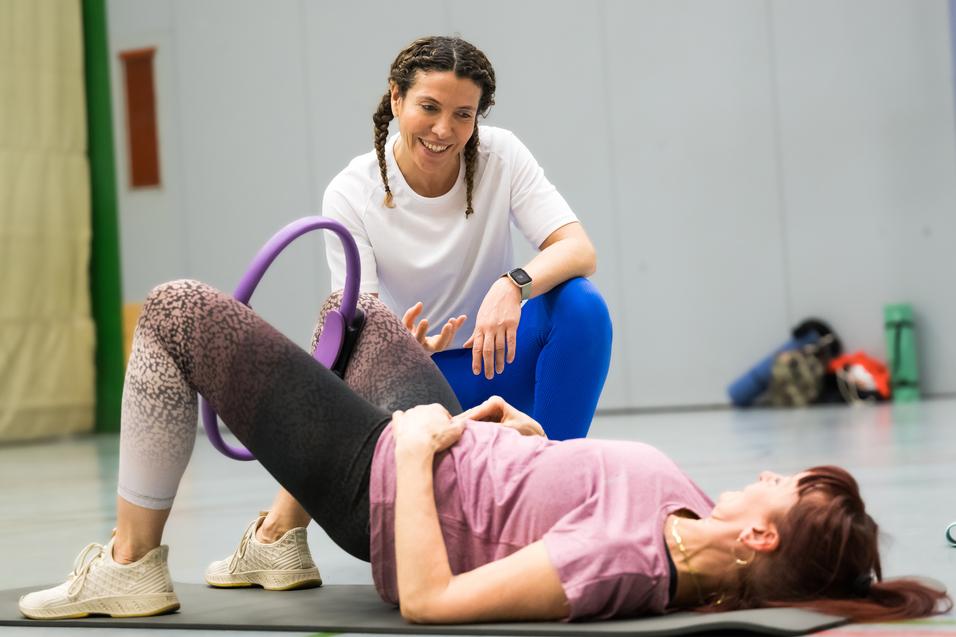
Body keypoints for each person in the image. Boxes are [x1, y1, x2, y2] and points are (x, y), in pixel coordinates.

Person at [19, 281, 950, 623]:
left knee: (179, 312)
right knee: (357, 316)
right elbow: (552, 489)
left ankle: (131, 569)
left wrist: (420, 455)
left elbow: (429, 600)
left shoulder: (618, 564)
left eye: (781, 488)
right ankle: (270, 541)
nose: (770, 473)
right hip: (454, 442)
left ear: (758, 542)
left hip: (387, 485)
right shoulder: (696, 506)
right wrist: (508, 432)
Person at [207, 34, 613, 591]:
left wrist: (512, 285)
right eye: (429, 107)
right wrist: (398, 350)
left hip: (493, 365)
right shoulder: (351, 191)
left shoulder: (502, 156)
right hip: (411, 392)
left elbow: (578, 249)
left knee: (582, 306)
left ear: (478, 118)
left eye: (462, 114)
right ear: (396, 99)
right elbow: (356, 316)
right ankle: (277, 537)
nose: (444, 129)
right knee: (341, 331)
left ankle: (551, 507)